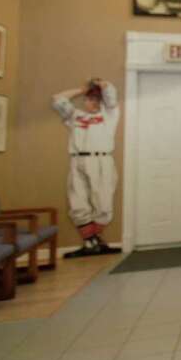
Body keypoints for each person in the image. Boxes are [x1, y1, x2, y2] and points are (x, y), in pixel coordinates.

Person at [52, 79, 121, 256]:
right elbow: (58, 98)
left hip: (101, 160)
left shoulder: (109, 114)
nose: (93, 103)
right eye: (90, 99)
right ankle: (90, 243)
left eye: (97, 100)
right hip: (77, 160)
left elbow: (110, 94)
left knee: (103, 203)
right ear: (85, 100)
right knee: (77, 201)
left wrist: (100, 85)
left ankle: (94, 241)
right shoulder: (75, 115)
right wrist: (81, 89)